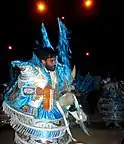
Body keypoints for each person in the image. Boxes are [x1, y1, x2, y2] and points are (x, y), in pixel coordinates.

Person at [3, 19, 89, 144]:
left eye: (54, 60)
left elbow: (60, 89)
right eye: (51, 61)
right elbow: (22, 88)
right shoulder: (34, 71)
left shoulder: (57, 72)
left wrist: (66, 92)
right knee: (38, 136)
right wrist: (36, 91)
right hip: (36, 109)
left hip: (53, 107)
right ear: (43, 62)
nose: (54, 63)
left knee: (57, 133)